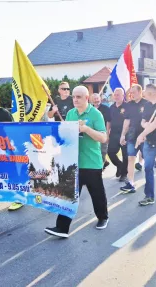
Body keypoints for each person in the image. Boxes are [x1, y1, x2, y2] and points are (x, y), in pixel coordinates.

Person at [45, 86, 109, 238]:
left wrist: (86, 129)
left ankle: (102, 217)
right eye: (74, 97)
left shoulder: (96, 114)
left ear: (87, 98)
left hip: (92, 162)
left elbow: (103, 138)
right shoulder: (71, 114)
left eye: (79, 97)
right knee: (68, 195)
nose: (75, 99)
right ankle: (62, 228)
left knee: (97, 194)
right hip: (74, 162)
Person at [119, 85, 148, 194]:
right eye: (130, 92)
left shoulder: (147, 103)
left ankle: (149, 180)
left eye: (134, 92)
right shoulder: (128, 105)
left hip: (145, 136)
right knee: (131, 157)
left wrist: (147, 133)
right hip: (132, 136)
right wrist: (123, 135)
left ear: (140, 92)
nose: (132, 94)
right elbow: (126, 121)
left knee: (148, 159)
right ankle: (130, 182)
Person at [107, 88, 128, 182]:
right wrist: (107, 132)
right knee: (110, 152)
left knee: (125, 155)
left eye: (118, 95)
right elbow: (109, 121)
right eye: (115, 95)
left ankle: (124, 174)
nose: (116, 96)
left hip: (125, 134)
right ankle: (119, 165)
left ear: (123, 96)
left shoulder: (128, 106)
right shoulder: (111, 107)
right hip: (114, 133)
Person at [91, 93, 111, 169]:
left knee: (103, 151)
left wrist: (107, 133)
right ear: (91, 100)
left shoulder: (106, 108)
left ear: (100, 99)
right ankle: (104, 162)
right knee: (95, 151)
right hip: (92, 134)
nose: (96, 100)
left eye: (97, 98)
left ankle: (100, 168)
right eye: (94, 99)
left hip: (103, 133)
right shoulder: (89, 109)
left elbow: (109, 121)